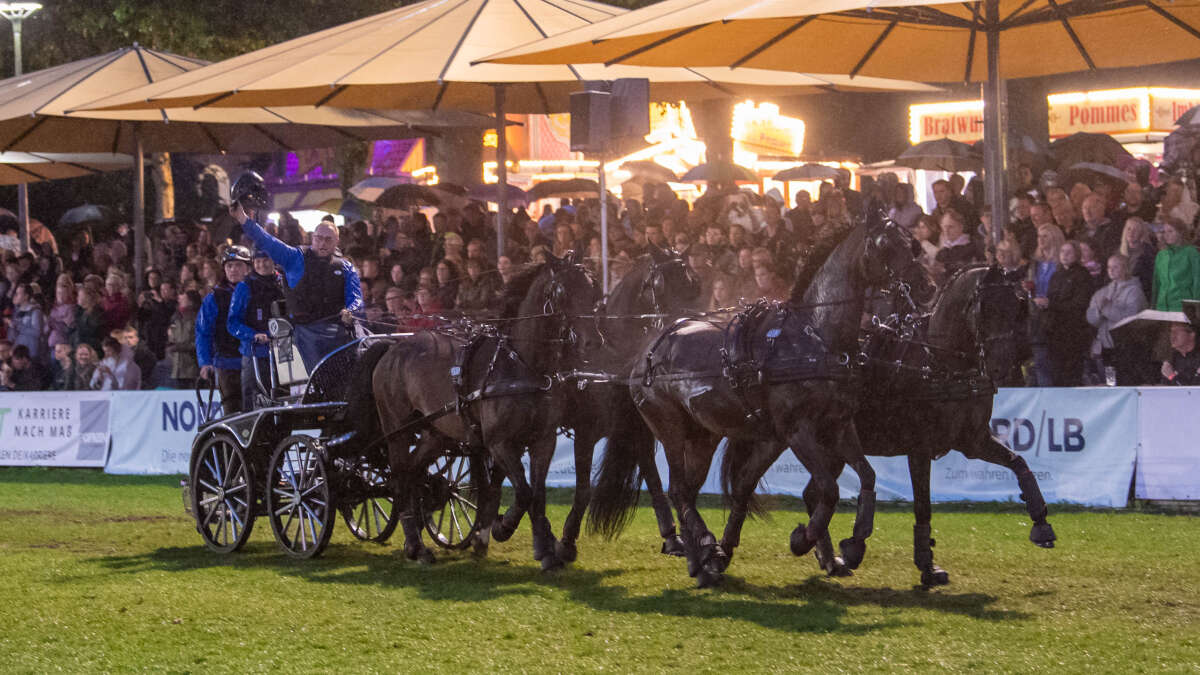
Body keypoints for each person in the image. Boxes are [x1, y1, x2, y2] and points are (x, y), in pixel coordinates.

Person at [228, 172, 363, 370]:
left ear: (337, 242)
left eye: (328, 239)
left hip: (338, 330)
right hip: (304, 331)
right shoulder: (295, 257)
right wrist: (243, 219)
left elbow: (356, 297)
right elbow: (267, 241)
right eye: (319, 238)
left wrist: (351, 310)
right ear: (312, 237)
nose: (322, 243)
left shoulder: (345, 266)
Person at [227, 249, 284, 411]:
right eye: (257, 261)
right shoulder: (245, 287)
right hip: (254, 354)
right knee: (254, 400)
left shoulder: (283, 282)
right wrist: (253, 335)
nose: (262, 264)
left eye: (265, 260)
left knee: (282, 399)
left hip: (282, 352)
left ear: (273, 261)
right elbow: (232, 323)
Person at [196, 246, 252, 414]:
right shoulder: (214, 297)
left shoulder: (257, 292)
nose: (233, 269)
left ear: (248, 268)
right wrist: (205, 362)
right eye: (229, 266)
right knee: (232, 413)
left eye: (238, 265)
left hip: (256, 361)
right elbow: (203, 331)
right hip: (227, 363)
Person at [1044, 240, 1094, 387]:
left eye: (1068, 252)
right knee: (1056, 374)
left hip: (1073, 333)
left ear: (1077, 255)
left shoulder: (1082, 276)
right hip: (1055, 332)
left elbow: (1080, 304)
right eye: (1062, 252)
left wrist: (1051, 304)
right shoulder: (1056, 275)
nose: (1064, 255)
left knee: (1071, 374)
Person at [1151, 219, 1200, 311]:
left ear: (1181, 232)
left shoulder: (1191, 252)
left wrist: (1197, 307)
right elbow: (1156, 284)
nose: (1166, 235)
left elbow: (1197, 282)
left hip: (1182, 306)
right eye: (1164, 232)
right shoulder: (1161, 255)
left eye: (1170, 231)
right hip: (1162, 306)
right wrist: (1153, 306)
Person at [167, 290, 200, 389]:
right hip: (177, 369)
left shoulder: (197, 318)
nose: (179, 299)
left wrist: (179, 347)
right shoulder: (176, 318)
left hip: (192, 369)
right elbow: (172, 338)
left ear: (191, 301)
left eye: (183, 297)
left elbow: (199, 343)